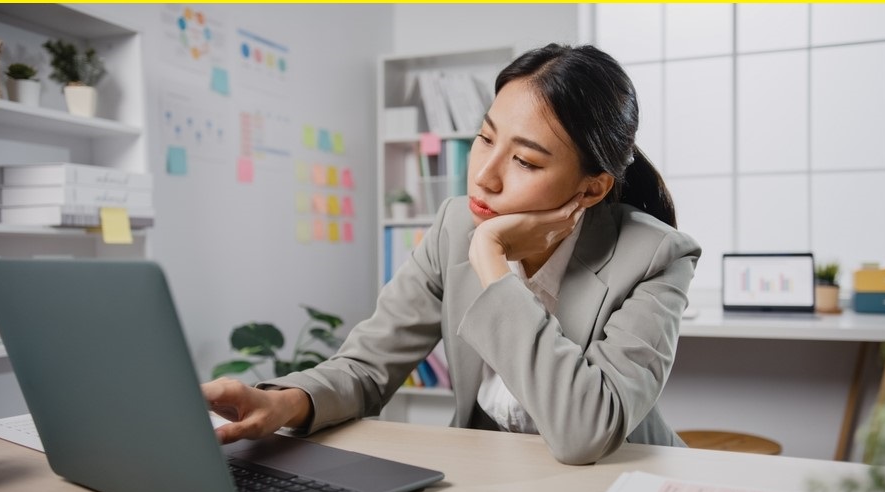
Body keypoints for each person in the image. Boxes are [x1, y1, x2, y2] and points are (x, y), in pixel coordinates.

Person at [202, 43, 701, 465]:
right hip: (494, 479)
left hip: (623, 488)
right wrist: (285, 403)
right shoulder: (453, 225)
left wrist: (490, 260)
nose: (484, 175)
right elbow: (366, 367)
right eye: (484, 138)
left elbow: (585, 432)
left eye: (525, 160)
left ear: (591, 190)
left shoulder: (656, 256)